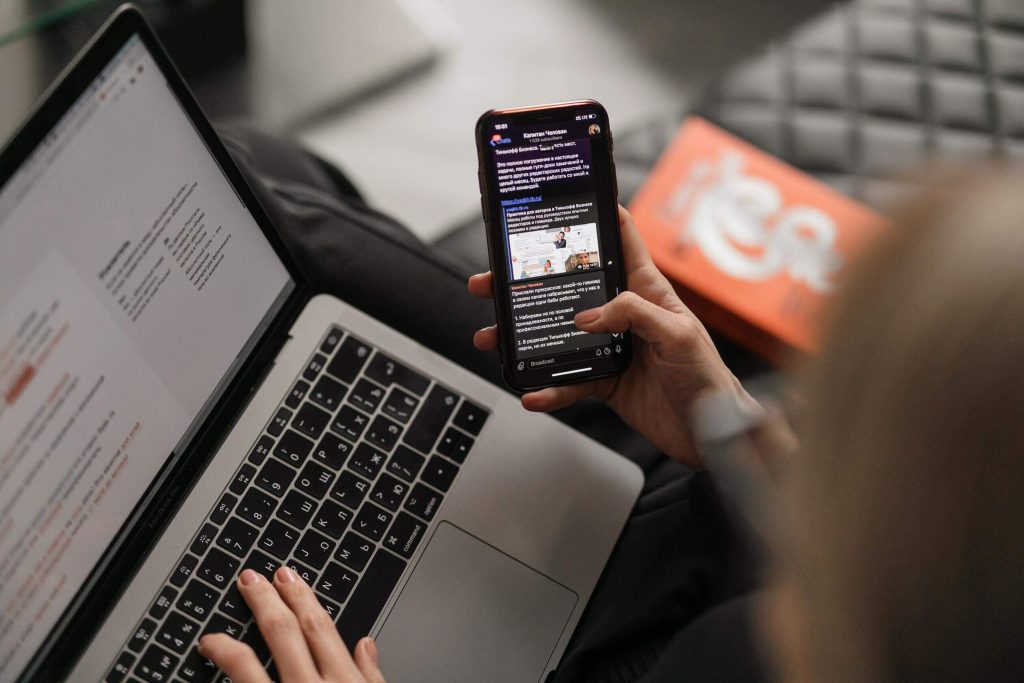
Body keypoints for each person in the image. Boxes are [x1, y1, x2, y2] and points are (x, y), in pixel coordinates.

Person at [200, 128, 1023, 682]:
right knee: (274, 166)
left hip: (627, 595)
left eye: (842, 434)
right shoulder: (911, 614)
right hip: (685, 519)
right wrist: (739, 435)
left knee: (251, 171)